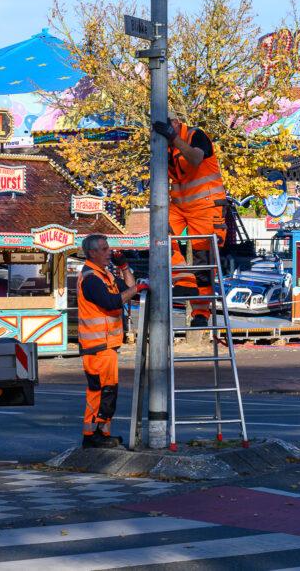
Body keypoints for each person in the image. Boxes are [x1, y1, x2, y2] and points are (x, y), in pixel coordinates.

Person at [153, 116, 227, 327]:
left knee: (203, 261)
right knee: (161, 238)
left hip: (206, 206)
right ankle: (185, 281)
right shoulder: (164, 147)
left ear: (176, 123)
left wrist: (172, 137)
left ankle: (201, 313)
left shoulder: (196, 135)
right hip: (179, 206)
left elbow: (195, 159)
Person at [77, 234, 144, 448]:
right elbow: (112, 302)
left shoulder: (103, 275)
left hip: (105, 345)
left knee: (104, 392)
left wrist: (124, 267)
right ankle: (93, 436)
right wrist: (138, 289)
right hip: (97, 347)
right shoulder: (91, 278)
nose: (109, 253)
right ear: (92, 253)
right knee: (103, 392)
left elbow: (127, 291)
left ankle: (101, 434)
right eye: (105, 249)